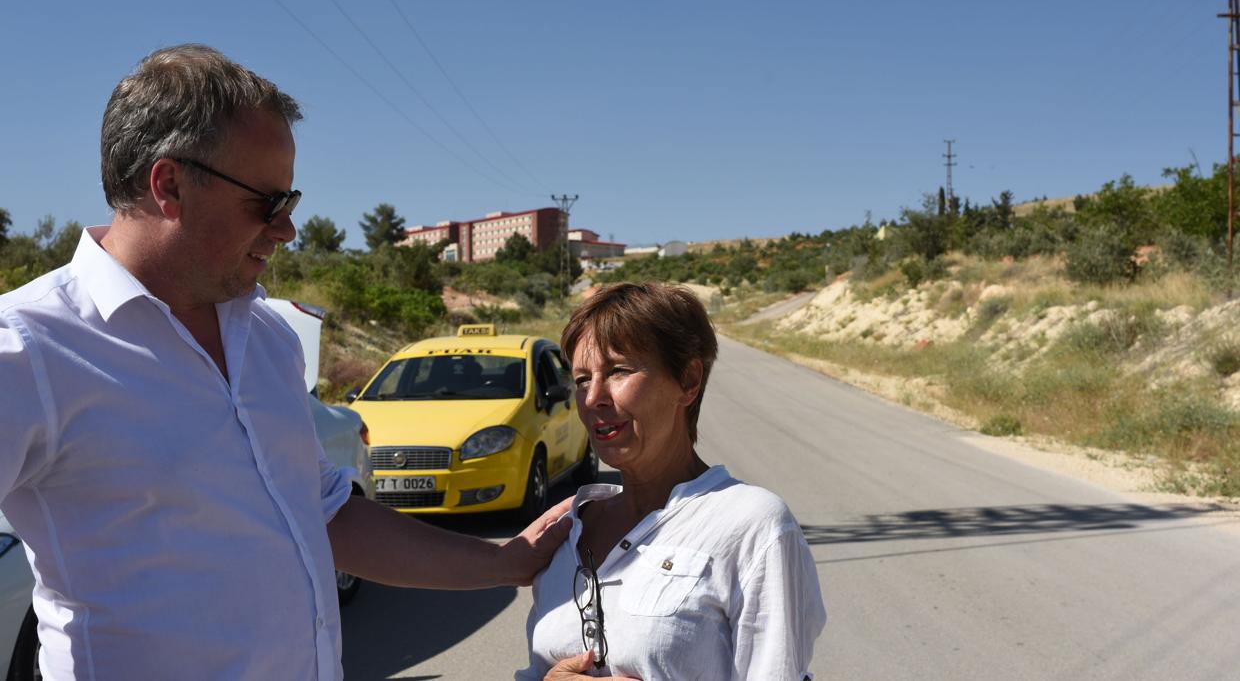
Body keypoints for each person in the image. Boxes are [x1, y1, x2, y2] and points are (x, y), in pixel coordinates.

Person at [0, 44, 569, 680]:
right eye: (267, 203)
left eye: (291, 201)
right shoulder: (29, 348)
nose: (288, 230)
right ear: (169, 186)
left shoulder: (267, 336)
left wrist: (507, 561)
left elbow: (323, 515)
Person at [518, 282, 827, 680]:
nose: (593, 397)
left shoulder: (753, 524)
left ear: (688, 381)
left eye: (618, 371)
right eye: (580, 379)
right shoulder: (566, 533)